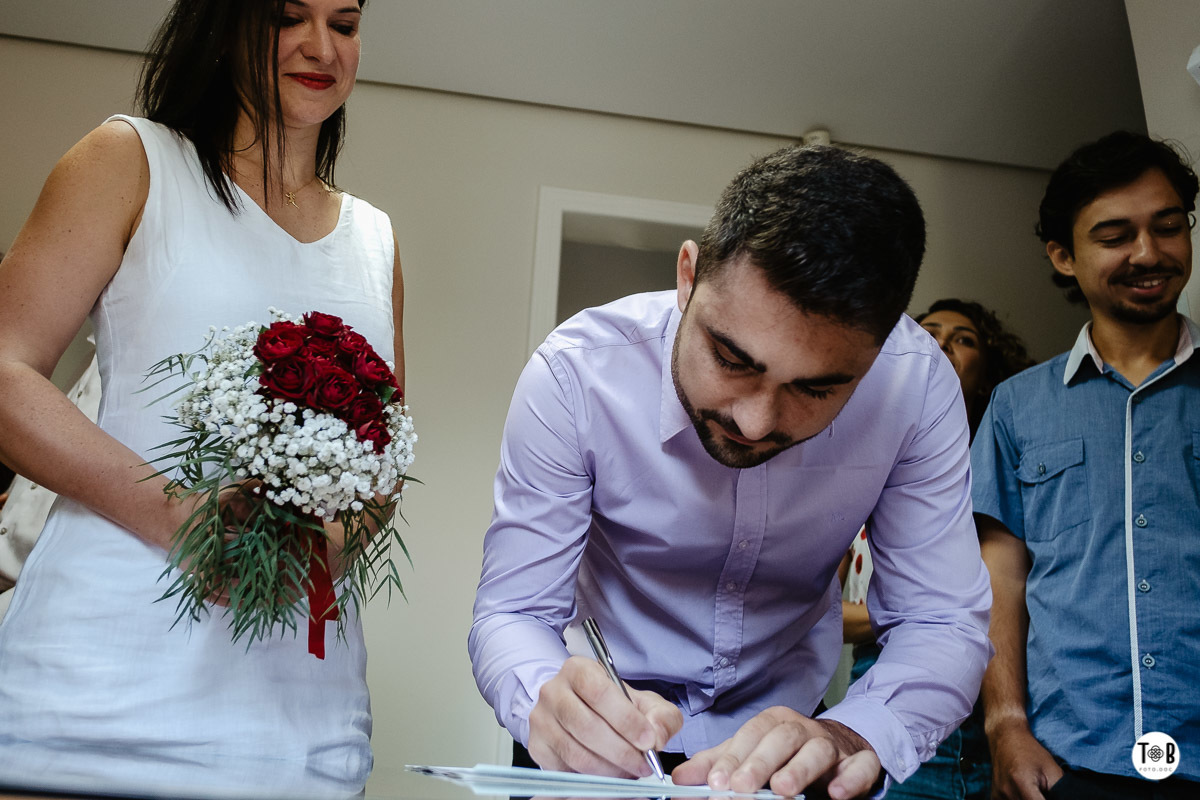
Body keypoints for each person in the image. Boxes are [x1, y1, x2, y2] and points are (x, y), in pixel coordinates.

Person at [469, 143, 992, 800]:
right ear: (688, 276)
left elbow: (941, 620)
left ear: (880, 348)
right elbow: (513, 610)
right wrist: (543, 698)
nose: (754, 420)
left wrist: (854, 735)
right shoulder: (576, 375)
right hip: (589, 735)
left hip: (785, 755)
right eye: (731, 359)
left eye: (816, 389)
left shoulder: (916, 388)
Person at [0, 0, 402, 794]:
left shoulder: (375, 241)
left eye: (345, 24)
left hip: (302, 732)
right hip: (93, 708)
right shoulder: (129, 160)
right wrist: (180, 517)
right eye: (288, 16)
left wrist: (330, 542)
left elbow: (382, 465)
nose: (322, 48)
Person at [971, 131, 1199, 799]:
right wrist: (1005, 725)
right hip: (1070, 762)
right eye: (1115, 236)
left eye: (1168, 227)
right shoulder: (1016, 406)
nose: (1148, 253)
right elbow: (1000, 575)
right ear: (1063, 256)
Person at [840, 298, 1035, 800]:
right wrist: (928, 621)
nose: (941, 344)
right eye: (928, 332)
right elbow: (821, 612)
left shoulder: (1012, 466)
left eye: (963, 339)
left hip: (1005, 706)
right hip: (895, 698)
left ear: (987, 371)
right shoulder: (868, 468)